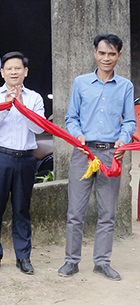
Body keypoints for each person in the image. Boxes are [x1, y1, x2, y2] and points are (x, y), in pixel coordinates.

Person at [58, 34, 135, 281]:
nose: (106, 58)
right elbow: (71, 117)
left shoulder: (125, 86)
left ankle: (102, 262)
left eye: (112, 54)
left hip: (111, 154)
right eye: (102, 53)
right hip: (84, 152)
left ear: (119, 56)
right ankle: (71, 261)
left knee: (107, 212)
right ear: (95, 54)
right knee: (76, 211)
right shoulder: (81, 83)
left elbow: (130, 120)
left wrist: (123, 139)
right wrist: (77, 136)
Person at [0, 51, 45, 275]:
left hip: (26, 159)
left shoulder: (35, 98)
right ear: (2, 72)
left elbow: (38, 128)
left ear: (25, 72)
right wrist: (6, 105)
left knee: (22, 209)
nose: (14, 72)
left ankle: (23, 257)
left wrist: (22, 104)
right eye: (9, 68)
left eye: (18, 68)